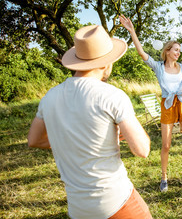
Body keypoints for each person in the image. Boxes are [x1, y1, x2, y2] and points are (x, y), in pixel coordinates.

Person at [27, 25, 153, 219]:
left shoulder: (49, 97)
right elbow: (142, 150)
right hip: (116, 202)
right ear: (105, 63)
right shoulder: (112, 95)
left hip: (78, 208)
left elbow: (34, 140)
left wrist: (75, 141)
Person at [119, 15, 182, 192]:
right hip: (167, 104)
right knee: (166, 145)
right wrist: (132, 31)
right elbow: (141, 53)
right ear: (168, 50)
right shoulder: (158, 67)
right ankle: (164, 178)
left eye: (179, 50)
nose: (178, 53)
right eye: (175, 50)